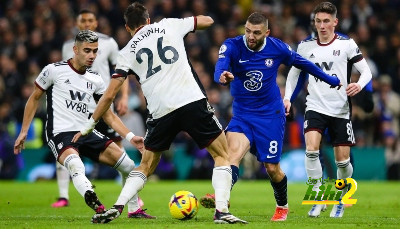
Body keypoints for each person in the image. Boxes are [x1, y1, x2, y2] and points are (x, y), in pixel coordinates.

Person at [73, 2, 247, 224]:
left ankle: (117, 206)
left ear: (128, 28)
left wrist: (90, 124)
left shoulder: (126, 52)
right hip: (191, 100)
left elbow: (108, 96)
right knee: (221, 155)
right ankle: (222, 212)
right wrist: (189, 24)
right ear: (147, 20)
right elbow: (208, 21)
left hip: (160, 111)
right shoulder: (169, 25)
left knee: (145, 166)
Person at [199, 12, 342, 222]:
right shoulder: (231, 45)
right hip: (242, 114)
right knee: (231, 156)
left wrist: (329, 78)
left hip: (270, 115)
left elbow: (303, 63)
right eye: (248, 30)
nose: (250, 36)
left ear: (266, 32)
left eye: (256, 33)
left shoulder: (277, 48)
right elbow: (220, 67)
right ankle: (222, 199)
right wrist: (221, 76)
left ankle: (282, 206)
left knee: (272, 168)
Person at [13, 30, 147, 217]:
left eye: (95, 51)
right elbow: (34, 98)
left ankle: (134, 210)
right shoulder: (53, 70)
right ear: (75, 50)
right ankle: (93, 200)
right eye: (87, 50)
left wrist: (131, 137)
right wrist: (24, 131)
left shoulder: (96, 79)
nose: (92, 55)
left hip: (85, 131)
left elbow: (109, 116)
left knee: (129, 165)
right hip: (60, 132)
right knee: (76, 165)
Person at [53, 10, 149, 218]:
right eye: (83, 21)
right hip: (75, 110)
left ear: (96, 22)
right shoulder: (67, 47)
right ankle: (63, 195)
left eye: (90, 20)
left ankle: (132, 200)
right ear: (77, 24)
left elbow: (121, 71)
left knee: (120, 152)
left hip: (103, 104)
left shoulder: (109, 43)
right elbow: (62, 76)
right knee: (65, 151)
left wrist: (123, 98)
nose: (87, 23)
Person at [284, 2, 372, 218]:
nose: (321, 26)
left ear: (335, 22)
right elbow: (293, 75)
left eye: (326, 21)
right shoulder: (305, 47)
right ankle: (318, 197)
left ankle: (341, 198)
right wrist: (286, 98)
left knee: (342, 161)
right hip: (315, 106)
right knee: (311, 150)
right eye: (318, 21)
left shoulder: (347, 44)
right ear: (314, 22)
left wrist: (358, 85)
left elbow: (366, 71)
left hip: (341, 109)